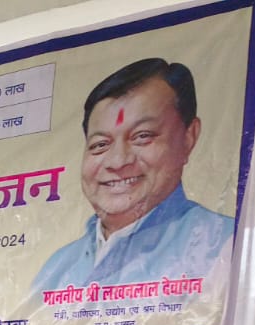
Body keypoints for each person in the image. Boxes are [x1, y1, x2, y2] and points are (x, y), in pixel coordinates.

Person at [31, 58, 234, 295]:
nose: (118, 161)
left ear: (189, 138)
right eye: (100, 144)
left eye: (142, 136)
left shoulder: (224, 246)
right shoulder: (55, 271)